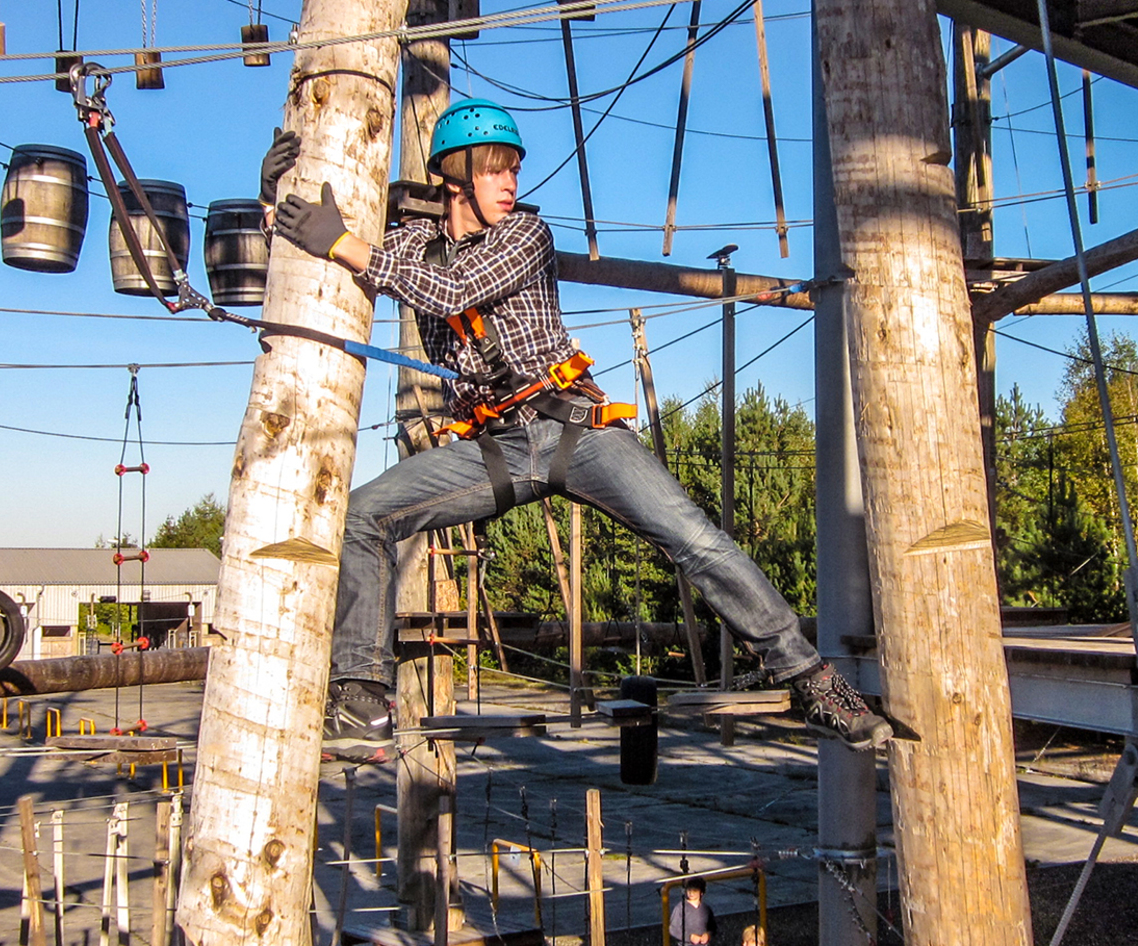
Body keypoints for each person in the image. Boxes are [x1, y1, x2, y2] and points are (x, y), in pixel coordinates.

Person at [261, 98, 893, 763]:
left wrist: (345, 242)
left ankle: (813, 681)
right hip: (497, 448)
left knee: (695, 540)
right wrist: (277, 194)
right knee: (364, 515)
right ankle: (361, 697)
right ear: (456, 174)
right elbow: (314, 245)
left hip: (576, 432)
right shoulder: (412, 248)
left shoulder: (524, 236)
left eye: (514, 170)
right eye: (497, 169)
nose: (511, 184)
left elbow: (450, 292)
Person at [669, 877, 717, 946]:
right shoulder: (680, 908)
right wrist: (689, 937)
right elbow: (673, 928)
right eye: (689, 890)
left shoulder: (706, 908)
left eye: (694, 890)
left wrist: (708, 934)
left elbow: (713, 927)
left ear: (701, 892)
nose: (691, 893)